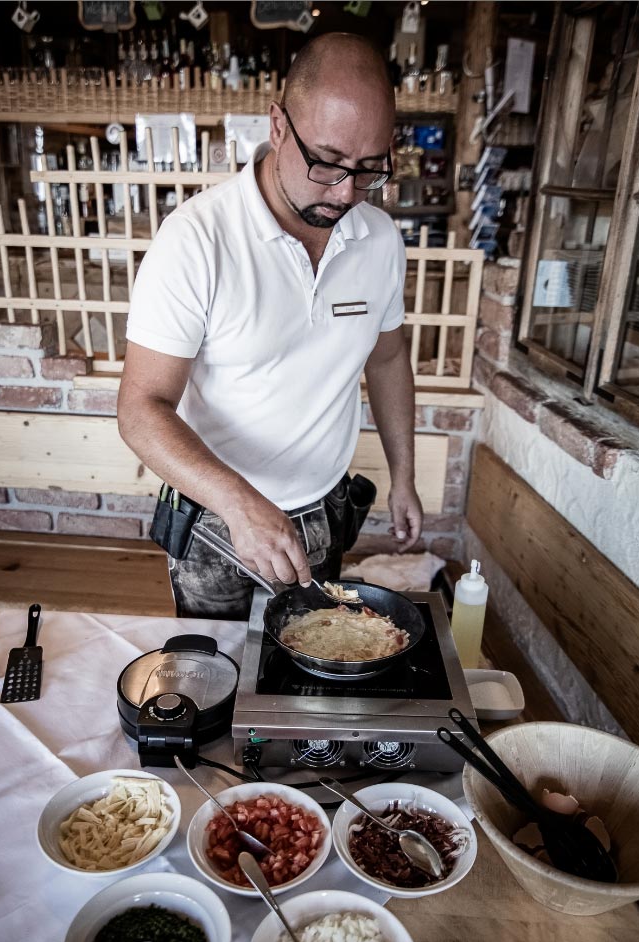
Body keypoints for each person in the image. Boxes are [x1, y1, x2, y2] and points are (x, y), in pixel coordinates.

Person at [118, 32, 424, 619]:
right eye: (327, 163)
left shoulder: (380, 240)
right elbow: (140, 408)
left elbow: (386, 359)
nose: (343, 192)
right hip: (216, 518)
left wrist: (403, 476)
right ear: (278, 126)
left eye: (368, 171)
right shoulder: (197, 239)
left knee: (306, 677)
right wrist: (239, 503)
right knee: (214, 672)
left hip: (324, 513)